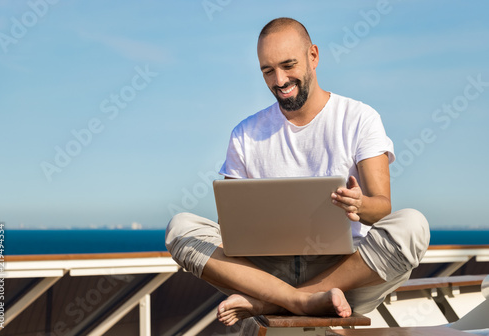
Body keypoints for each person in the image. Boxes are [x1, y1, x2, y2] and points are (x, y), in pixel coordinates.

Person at [165, 17, 430, 327]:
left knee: (413, 225)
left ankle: (269, 302)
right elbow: (232, 227)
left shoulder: (360, 118)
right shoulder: (245, 134)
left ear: (313, 56)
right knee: (179, 229)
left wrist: (359, 205)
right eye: (268, 71)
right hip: (268, 271)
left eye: (288, 65)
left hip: (345, 274)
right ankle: (299, 300)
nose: (279, 80)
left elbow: (382, 208)